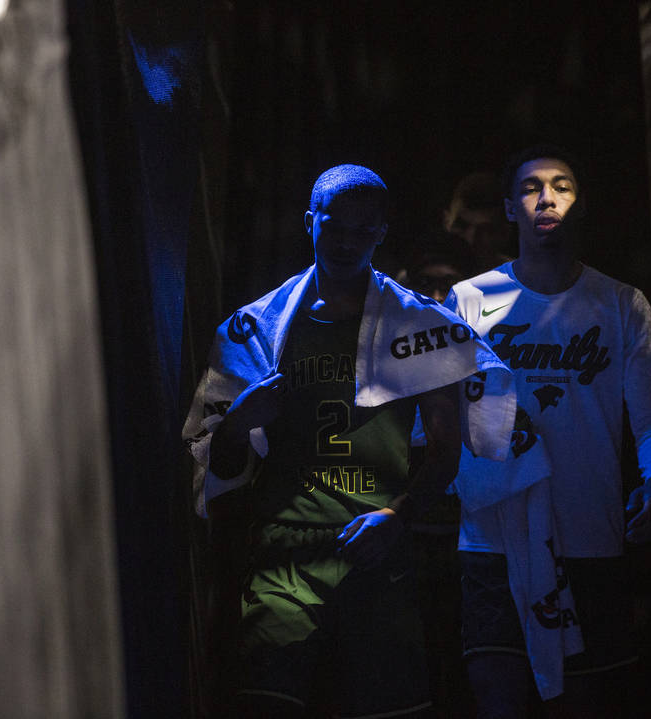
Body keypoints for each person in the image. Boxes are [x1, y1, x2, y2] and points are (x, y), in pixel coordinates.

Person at [182, 164, 514, 718]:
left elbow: (445, 450)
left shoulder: (418, 327)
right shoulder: (258, 328)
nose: (345, 242)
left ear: (381, 233)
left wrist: (400, 516)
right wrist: (238, 421)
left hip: (376, 550)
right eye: (334, 225)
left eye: (363, 231)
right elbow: (214, 459)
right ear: (309, 221)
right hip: (282, 557)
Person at [445, 145, 651, 718]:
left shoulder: (620, 304)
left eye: (562, 185)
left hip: (588, 535)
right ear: (508, 207)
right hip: (495, 538)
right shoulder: (472, 300)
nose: (546, 197)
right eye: (530, 187)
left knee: (584, 703)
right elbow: (440, 418)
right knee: (500, 701)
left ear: (580, 203)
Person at [443, 171, 515, 273]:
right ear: (446, 221)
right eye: (461, 225)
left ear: (504, 234)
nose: (470, 240)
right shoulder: (418, 275)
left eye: (485, 231)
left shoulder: (528, 283)